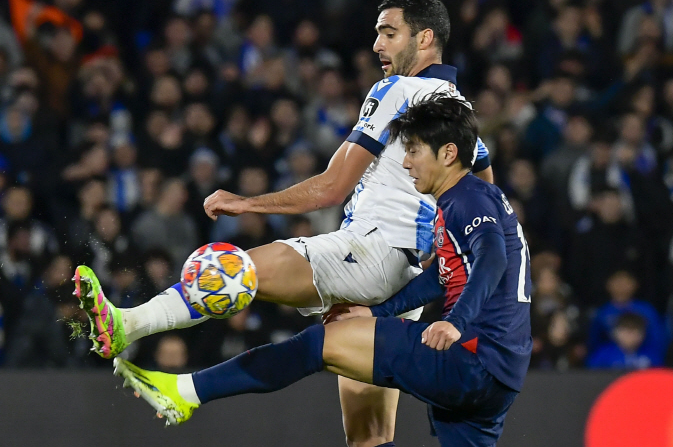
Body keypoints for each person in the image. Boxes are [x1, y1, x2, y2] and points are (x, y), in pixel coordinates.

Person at [74, 0, 493, 447]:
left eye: (389, 33)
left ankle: (130, 325)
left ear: (425, 37)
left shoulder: (398, 91)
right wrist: (443, 247)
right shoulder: (459, 108)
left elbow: (333, 187)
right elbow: (486, 194)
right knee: (369, 436)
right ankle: (179, 383)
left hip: (373, 252)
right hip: (407, 282)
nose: (377, 45)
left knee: (235, 270)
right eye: (377, 33)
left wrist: (249, 204)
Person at [111, 95, 532, 447]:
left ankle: (186, 392)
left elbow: (493, 258)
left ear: (449, 153)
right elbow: (444, 273)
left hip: (470, 359)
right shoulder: (477, 198)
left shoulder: (467, 200)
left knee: (318, 345)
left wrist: (455, 323)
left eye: (415, 150)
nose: (406, 163)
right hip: (502, 378)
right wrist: (376, 313)